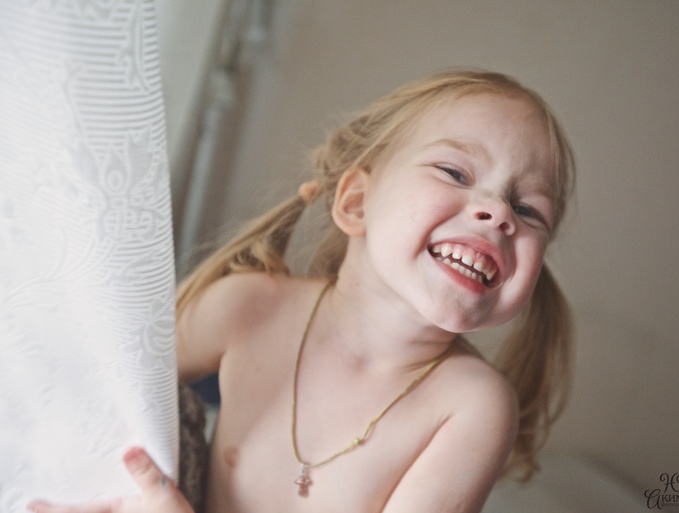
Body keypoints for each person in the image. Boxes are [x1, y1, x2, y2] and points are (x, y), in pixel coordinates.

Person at [29, 69, 575, 513]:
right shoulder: (247, 308)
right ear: (356, 203)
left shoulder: (472, 407)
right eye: (456, 173)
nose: (498, 212)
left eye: (529, 210)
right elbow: (87, 384)